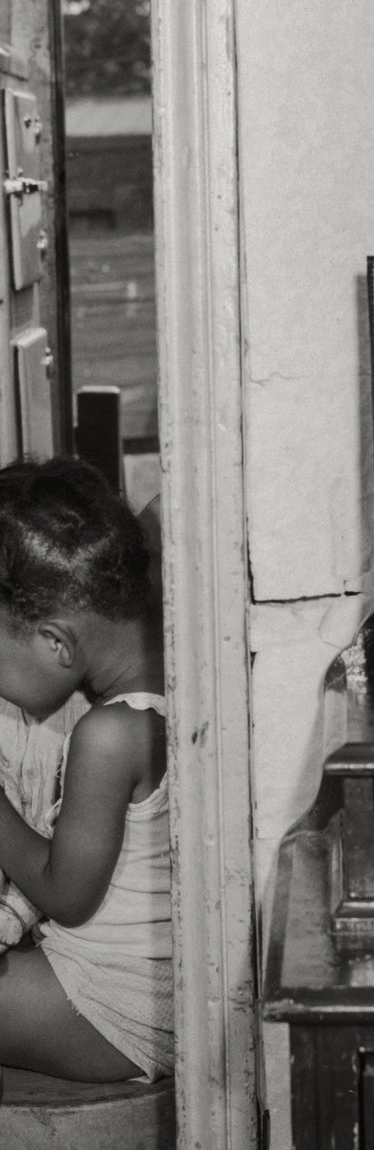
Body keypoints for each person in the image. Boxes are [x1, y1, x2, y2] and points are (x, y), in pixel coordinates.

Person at [0, 457, 171, 1082]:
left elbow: (67, 897)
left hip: (111, 1005)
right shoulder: (163, 678)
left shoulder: (110, 735)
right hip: (133, 985)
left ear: (57, 643)